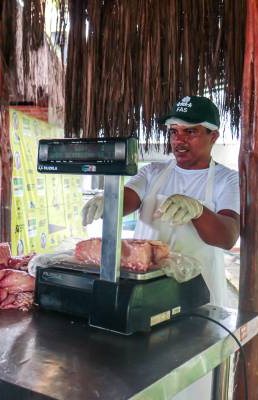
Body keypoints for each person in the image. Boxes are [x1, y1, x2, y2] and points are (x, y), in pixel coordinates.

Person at [82, 96, 240, 306]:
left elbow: (227, 237)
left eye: (190, 131)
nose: (179, 140)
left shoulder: (227, 179)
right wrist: (108, 201)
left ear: (213, 136)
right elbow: (127, 199)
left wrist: (198, 211)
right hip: (147, 288)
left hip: (198, 294)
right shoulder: (152, 172)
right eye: (173, 132)